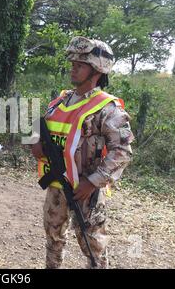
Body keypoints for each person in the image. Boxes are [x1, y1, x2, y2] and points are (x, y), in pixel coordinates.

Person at [31, 36, 134, 269]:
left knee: (93, 248)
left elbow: (122, 151)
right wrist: (34, 143)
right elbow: (40, 127)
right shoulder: (60, 100)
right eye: (73, 63)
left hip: (85, 192)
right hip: (56, 185)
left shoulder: (107, 108)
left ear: (97, 71)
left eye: (80, 65)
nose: (73, 68)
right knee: (53, 241)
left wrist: (93, 182)